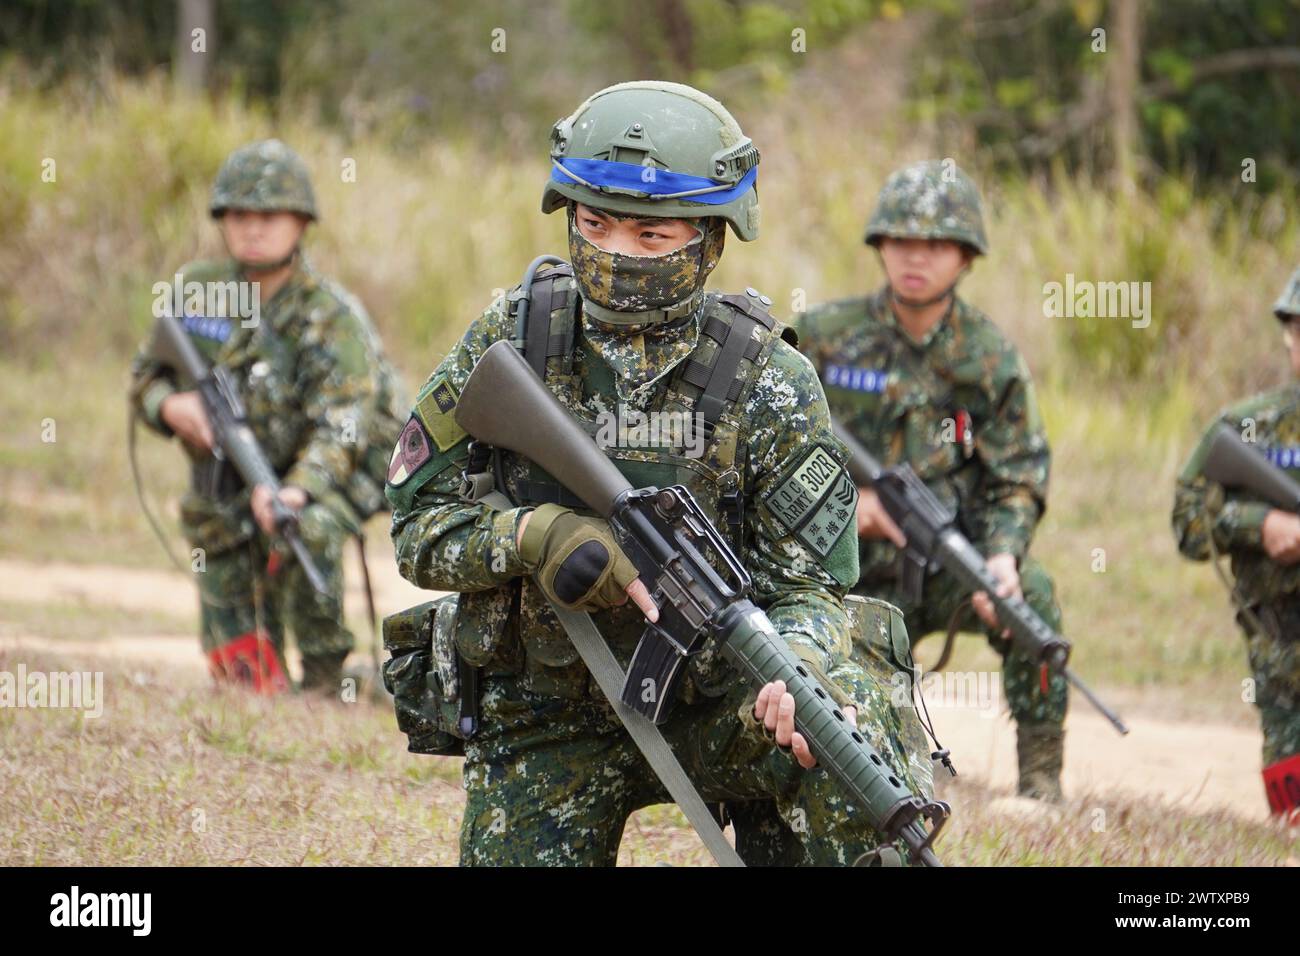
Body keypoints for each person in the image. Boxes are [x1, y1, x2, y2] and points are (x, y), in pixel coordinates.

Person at [386, 81, 931, 865]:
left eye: (651, 235)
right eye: (594, 223)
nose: (614, 253)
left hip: (725, 702)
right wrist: (533, 536)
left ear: (711, 238)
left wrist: (799, 669)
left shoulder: (769, 378)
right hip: (549, 715)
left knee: (842, 719)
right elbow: (416, 522)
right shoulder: (513, 340)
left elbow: (811, 589)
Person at [795, 160, 1069, 802]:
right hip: (835, 568)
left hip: (942, 566)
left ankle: (1039, 785)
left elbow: (1015, 479)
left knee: (1031, 594)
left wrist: (1000, 558)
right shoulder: (821, 340)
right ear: (879, 246)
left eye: (936, 245)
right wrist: (844, 505)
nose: (915, 257)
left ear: (967, 256)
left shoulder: (989, 358)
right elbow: (762, 452)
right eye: (901, 241)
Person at [130, 139, 404, 694]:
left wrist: (297, 490)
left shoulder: (330, 316)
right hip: (235, 470)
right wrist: (170, 406)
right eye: (239, 215)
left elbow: (344, 427)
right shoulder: (198, 289)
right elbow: (144, 378)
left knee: (303, 527)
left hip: (340, 468)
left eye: (269, 215)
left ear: (300, 222)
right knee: (240, 670)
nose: (252, 228)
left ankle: (327, 678)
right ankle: (256, 666)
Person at [1172, 266, 1300, 821]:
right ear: (1289, 337)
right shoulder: (1248, 428)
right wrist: (1259, 525)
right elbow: (1188, 525)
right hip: (1281, 649)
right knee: (1291, 815)